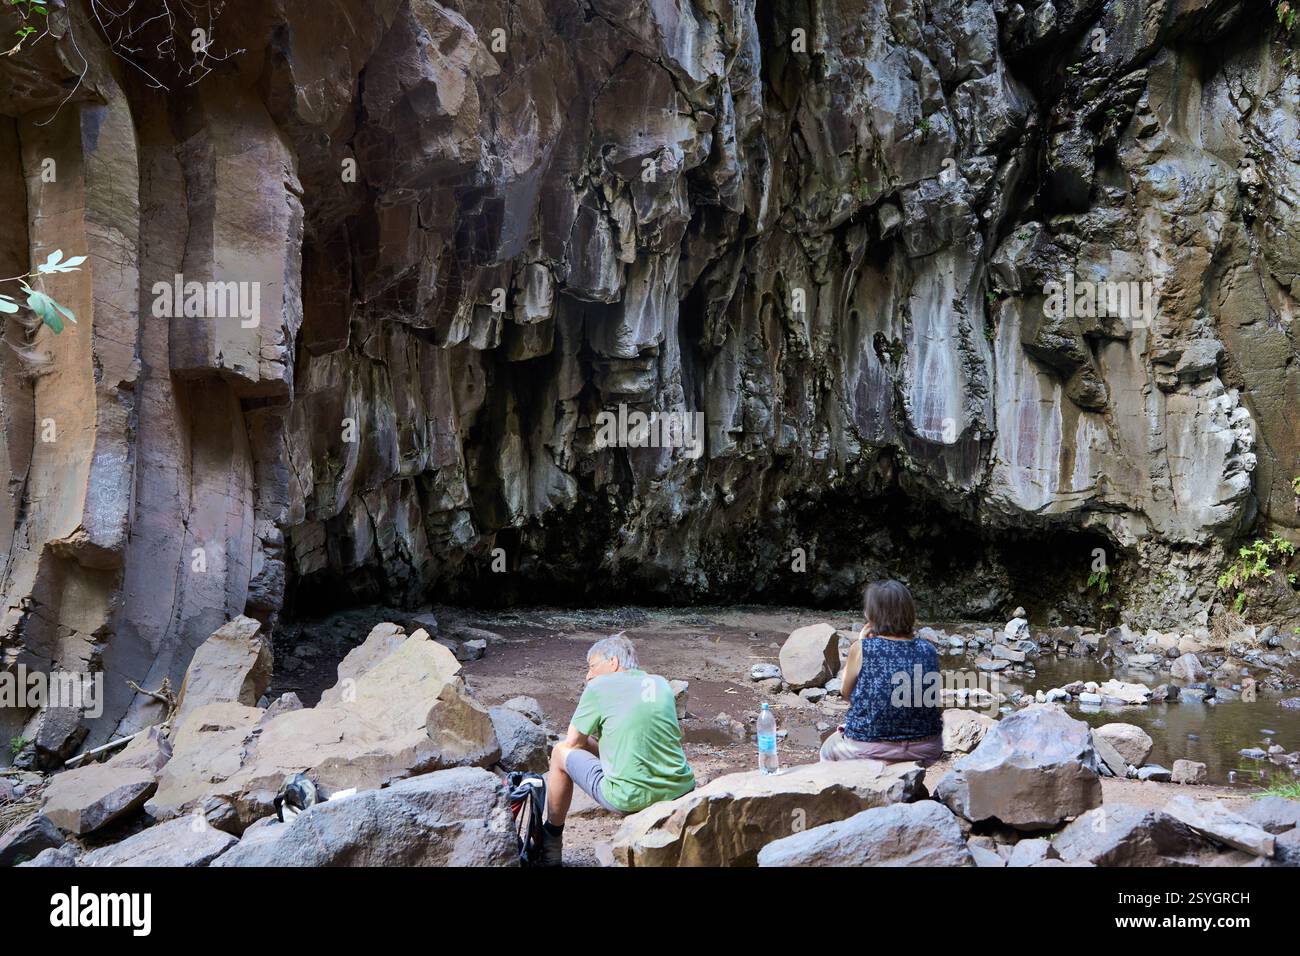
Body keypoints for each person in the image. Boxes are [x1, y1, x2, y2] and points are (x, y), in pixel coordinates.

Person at [541, 633, 695, 866]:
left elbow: (572, 743)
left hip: (629, 797)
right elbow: (643, 736)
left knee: (560, 751)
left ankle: (550, 841)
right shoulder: (660, 683)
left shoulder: (600, 686)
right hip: (680, 788)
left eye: (592, 666)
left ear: (613, 662)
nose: (588, 675)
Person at [819, 579, 943, 766]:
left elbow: (846, 694)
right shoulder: (928, 649)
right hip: (926, 748)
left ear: (872, 615)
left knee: (828, 750)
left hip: (869, 747)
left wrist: (861, 642)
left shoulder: (862, 648)